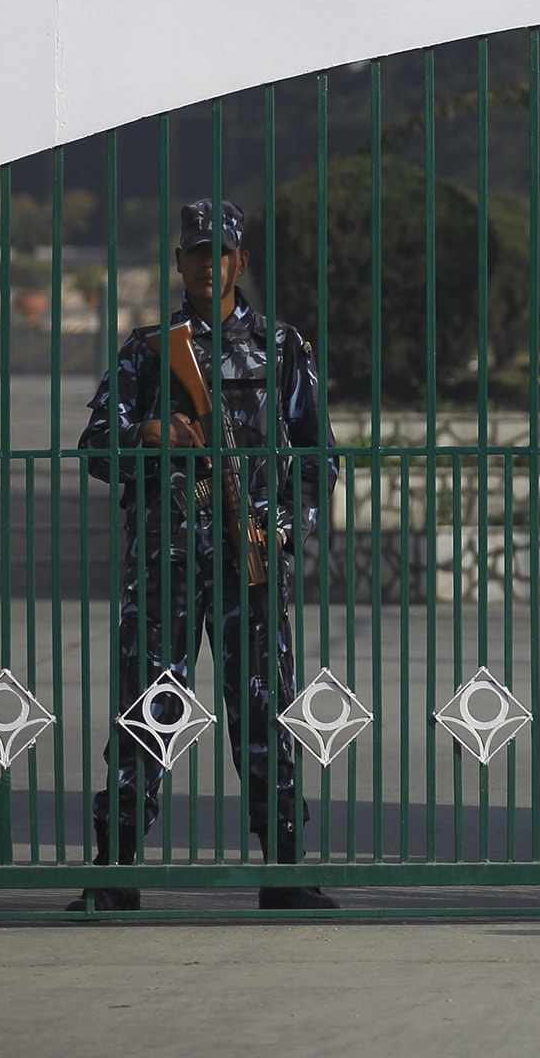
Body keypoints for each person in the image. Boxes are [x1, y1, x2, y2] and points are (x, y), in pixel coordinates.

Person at [68, 198, 333, 914]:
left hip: (249, 562)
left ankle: (284, 870)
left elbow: (317, 457)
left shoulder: (280, 348)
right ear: (179, 261)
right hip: (166, 562)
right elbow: (98, 448)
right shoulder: (149, 350)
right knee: (148, 711)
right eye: (194, 252)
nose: (207, 264)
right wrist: (152, 433)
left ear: (239, 262)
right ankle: (114, 868)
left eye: (220, 253)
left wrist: (283, 521)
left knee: (264, 711)